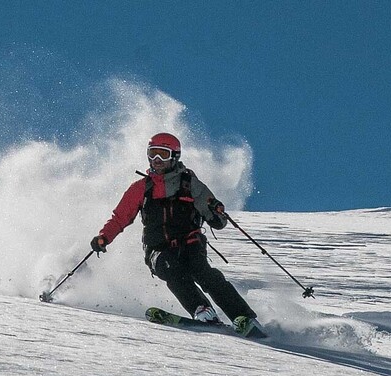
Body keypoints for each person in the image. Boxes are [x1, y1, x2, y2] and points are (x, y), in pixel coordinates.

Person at [90, 132, 263, 336]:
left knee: (204, 272)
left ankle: (242, 317)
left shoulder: (189, 183)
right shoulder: (141, 189)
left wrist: (216, 212)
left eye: (162, 154)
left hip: (190, 241)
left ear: (174, 156)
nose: (157, 160)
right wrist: (104, 236)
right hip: (158, 249)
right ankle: (202, 310)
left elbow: (214, 214)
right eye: (153, 154)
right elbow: (120, 217)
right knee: (172, 271)